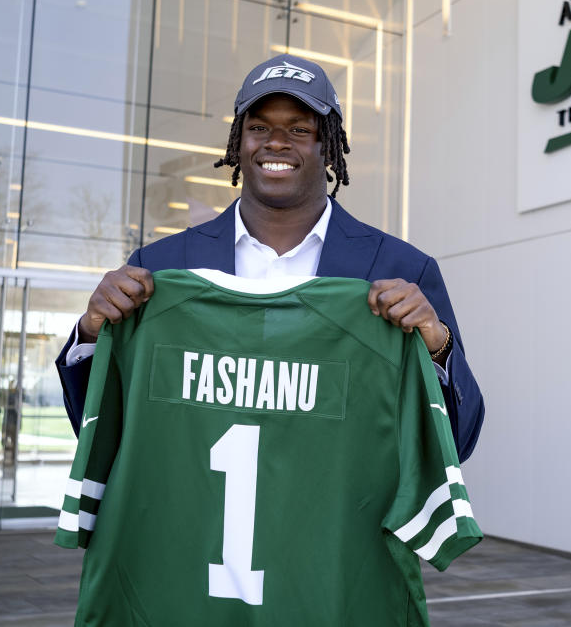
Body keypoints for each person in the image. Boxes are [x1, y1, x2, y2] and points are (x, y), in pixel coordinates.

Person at [54, 54, 484, 462]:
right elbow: (102, 431)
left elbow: (458, 441)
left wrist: (436, 345)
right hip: (198, 531)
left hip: (339, 533)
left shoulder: (401, 270)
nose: (276, 142)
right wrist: (91, 335)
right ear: (239, 143)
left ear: (329, 149)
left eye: (299, 130)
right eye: (259, 127)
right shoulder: (163, 267)